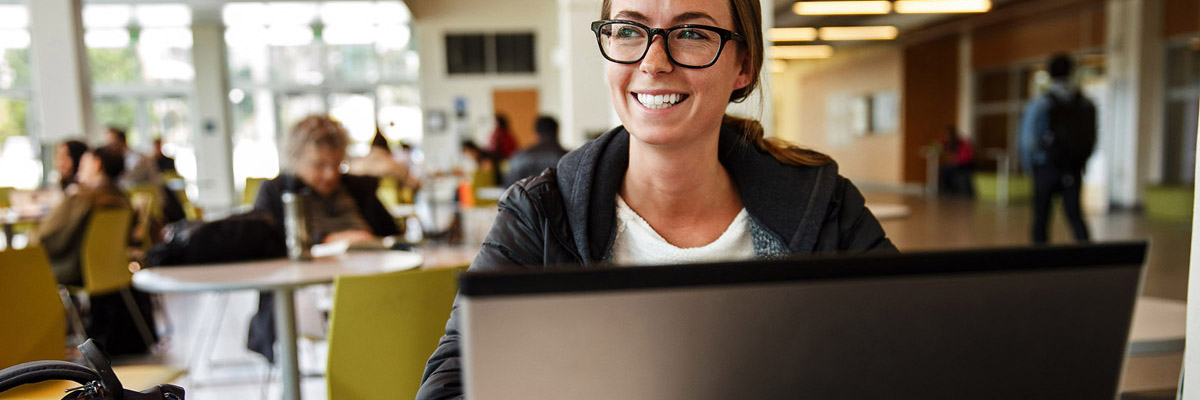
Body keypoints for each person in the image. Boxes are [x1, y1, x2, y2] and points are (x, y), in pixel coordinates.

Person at [416, 0, 895, 397]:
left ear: (743, 66)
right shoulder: (540, 212)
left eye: (691, 34)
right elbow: (450, 387)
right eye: (628, 30)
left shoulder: (827, 205)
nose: (654, 61)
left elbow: (908, 358)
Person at [247, 114, 399, 362]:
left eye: (336, 165)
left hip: (369, 287)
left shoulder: (359, 188)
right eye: (318, 165)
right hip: (307, 294)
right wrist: (327, 239)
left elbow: (391, 234)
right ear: (295, 160)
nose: (330, 174)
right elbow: (265, 244)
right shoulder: (275, 192)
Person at [1019, 53, 1096, 244]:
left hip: (1046, 166)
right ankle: (1089, 261)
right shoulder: (1085, 103)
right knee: (1075, 215)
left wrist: (1031, 166)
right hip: (1073, 168)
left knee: (1041, 219)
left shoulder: (1041, 103)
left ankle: (1040, 262)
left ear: (1049, 73)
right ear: (1072, 72)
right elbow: (1092, 138)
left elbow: (1028, 139)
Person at [36, 145, 132, 286]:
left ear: (97, 164)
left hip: (76, 269)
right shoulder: (122, 200)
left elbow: (46, 239)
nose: (79, 170)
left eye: (83, 164)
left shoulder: (81, 198)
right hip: (113, 268)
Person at [503, 115, 568, 186]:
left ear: (536, 132)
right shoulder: (567, 158)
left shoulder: (520, 157)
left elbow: (509, 187)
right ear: (557, 132)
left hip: (524, 196)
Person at [349, 130, 421, 191]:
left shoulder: (356, 165)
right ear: (387, 149)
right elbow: (414, 184)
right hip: (389, 206)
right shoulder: (392, 165)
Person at [938, 126, 975, 197]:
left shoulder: (962, 143)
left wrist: (954, 160)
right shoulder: (947, 144)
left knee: (946, 169)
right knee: (944, 168)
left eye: (947, 134)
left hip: (965, 165)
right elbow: (940, 149)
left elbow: (965, 157)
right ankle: (948, 191)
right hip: (956, 164)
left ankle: (949, 191)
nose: (945, 136)